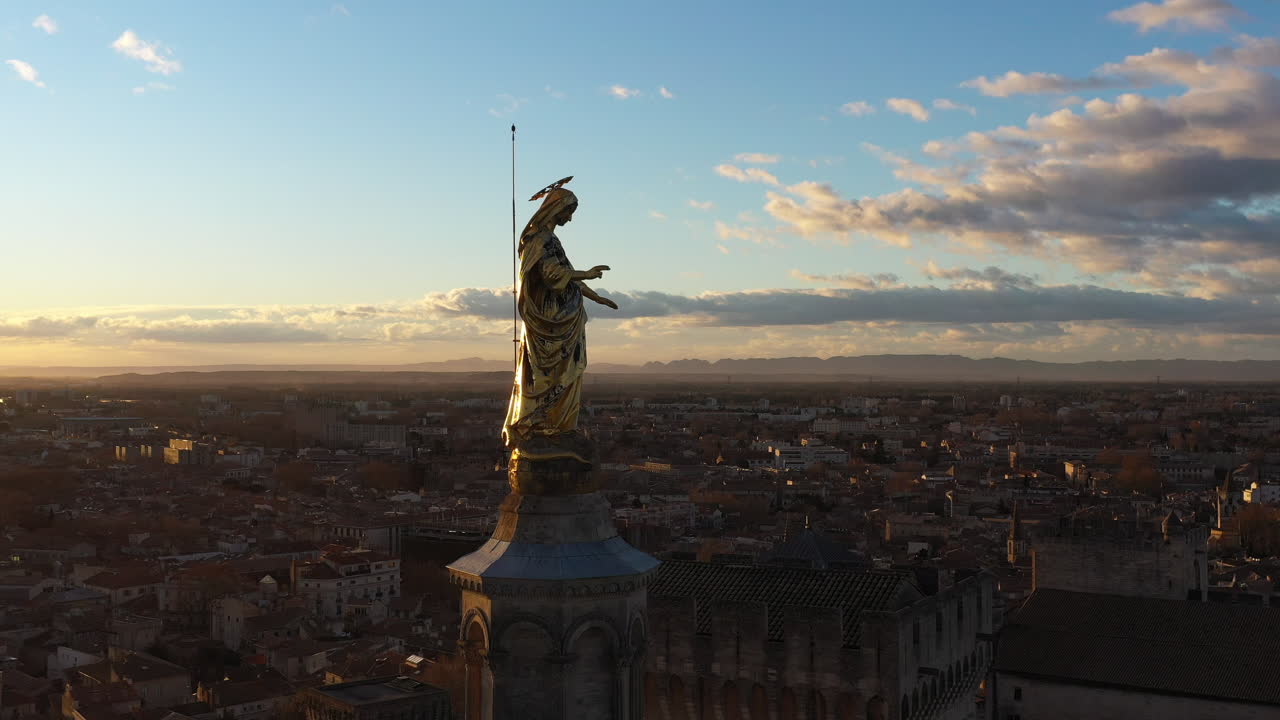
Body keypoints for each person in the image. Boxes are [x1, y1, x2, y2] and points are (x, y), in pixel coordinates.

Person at [502, 183, 617, 456]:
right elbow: (553, 276)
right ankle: (541, 425)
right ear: (556, 208)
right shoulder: (539, 239)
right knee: (549, 374)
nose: (570, 218)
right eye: (569, 211)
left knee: (567, 370)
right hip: (549, 320)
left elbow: (566, 277)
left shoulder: (551, 239)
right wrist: (586, 275)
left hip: (565, 317)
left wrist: (594, 296)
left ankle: (560, 425)